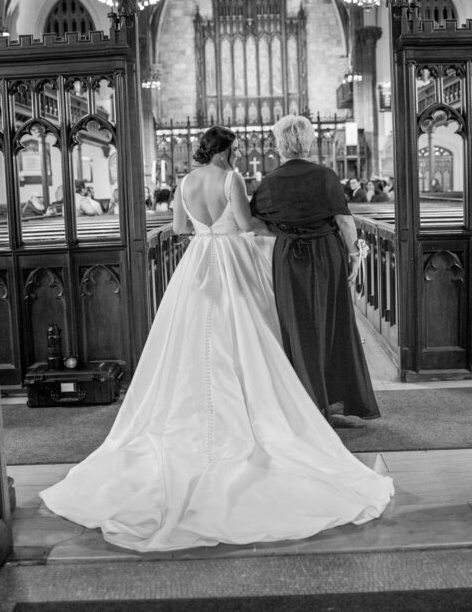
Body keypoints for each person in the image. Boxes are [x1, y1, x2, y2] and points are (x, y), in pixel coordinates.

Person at [40, 125, 393, 552]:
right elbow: (246, 224)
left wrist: (207, 229)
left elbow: (178, 227)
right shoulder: (231, 179)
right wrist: (290, 233)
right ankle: (261, 410)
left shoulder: (185, 182)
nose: (238, 155)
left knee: (189, 341)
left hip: (197, 264)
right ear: (225, 151)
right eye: (235, 149)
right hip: (231, 261)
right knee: (247, 337)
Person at [250, 115, 381, 423]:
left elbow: (255, 221)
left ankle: (303, 403)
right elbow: (344, 220)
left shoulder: (269, 181)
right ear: (308, 141)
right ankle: (336, 399)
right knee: (332, 322)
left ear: (279, 143)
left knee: (295, 326)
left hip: (288, 258)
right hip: (325, 254)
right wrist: (354, 255)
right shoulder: (325, 175)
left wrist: (284, 232)